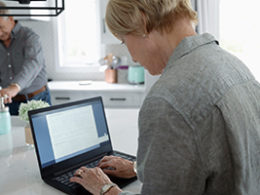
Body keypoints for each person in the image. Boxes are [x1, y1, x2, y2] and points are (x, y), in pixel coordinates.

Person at [70, 0, 260, 194]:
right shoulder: (234, 66)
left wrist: (105, 189)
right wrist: (140, 168)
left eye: (124, 40)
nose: (133, 57)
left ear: (142, 22)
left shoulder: (167, 100)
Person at [0, 1, 51, 115]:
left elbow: (33, 63)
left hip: (36, 99)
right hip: (10, 102)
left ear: (11, 19)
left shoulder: (29, 37)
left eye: (1, 27)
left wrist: (15, 86)